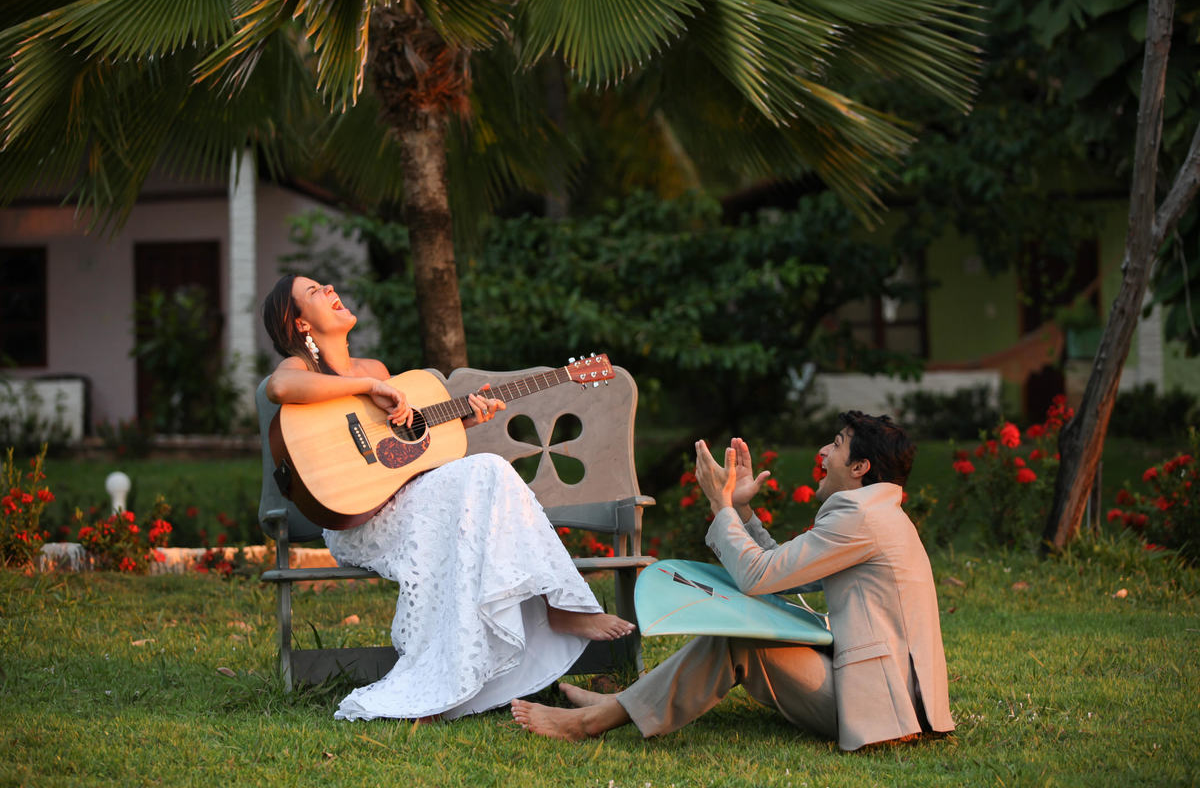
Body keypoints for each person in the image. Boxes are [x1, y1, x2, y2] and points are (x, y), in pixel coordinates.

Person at [261, 274, 634, 722]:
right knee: (487, 472)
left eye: (325, 284)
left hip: (406, 507)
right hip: (358, 522)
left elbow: (400, 448)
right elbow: (279, 390)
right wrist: (365, 389)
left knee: (487, 471)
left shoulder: (376, 369)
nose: (329, 289)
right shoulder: (305, 370)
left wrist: (464, 420)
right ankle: (557, 607)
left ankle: (463, 669)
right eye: (314, 291)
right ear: (300, 323)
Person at [511, 412, 955, 751]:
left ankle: (591, 722)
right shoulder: (876, 512)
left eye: (836, 446)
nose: (822, 452)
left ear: (860, 467)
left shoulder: (860, 516)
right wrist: (740, 511)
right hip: (895, 703)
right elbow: (783, 576)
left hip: (887, 711)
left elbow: (760, 576)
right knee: (745, 630)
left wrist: (718, 504)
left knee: (737, 640)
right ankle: (624, 703)